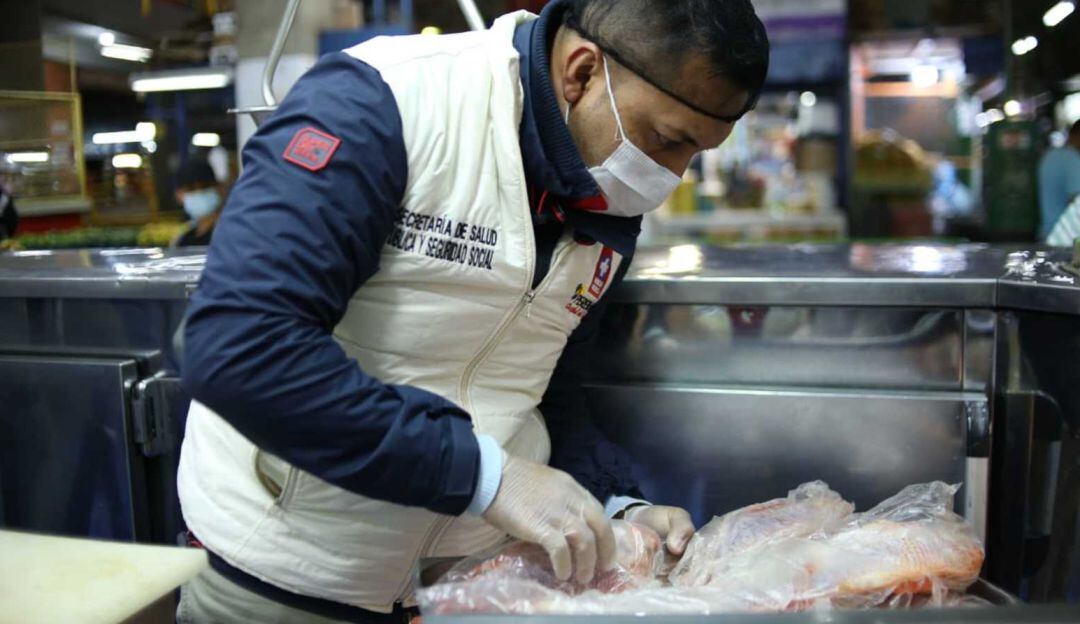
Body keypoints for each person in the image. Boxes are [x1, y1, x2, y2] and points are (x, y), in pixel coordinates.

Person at [176, 0, 769, 621]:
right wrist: (483, 474)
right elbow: (240, 348)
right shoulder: (386, 105)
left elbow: (544, 381)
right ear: (582, 73)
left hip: (472, 589)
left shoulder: (604, 193)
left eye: (694, 153)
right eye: (667, 140)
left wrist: (615, 504)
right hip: (293, 573)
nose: (670, 174)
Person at [1039, 119, 1080, 241]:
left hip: (1048, 233)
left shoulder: (1049, 156)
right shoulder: (1072, 159)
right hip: (1068, 239)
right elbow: (1076, 200)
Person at [171, 158, 224, 247]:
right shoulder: (182, 240)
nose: (199, 193)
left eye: (205, 187)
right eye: (191, 189)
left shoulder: (231, 234)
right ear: (178, 195)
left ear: (219, 189)